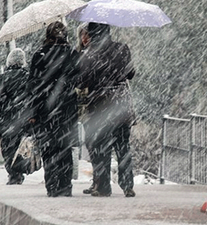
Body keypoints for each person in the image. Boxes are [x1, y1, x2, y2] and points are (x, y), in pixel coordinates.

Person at [78, 22, 136, 197]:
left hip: (100, 105)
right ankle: (127, 185)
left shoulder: (89, 54)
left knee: (101, 147)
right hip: (120, 104)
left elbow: (82, 81)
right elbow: (130, 74)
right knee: (123, 146)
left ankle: (103, 186)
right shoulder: (122, 48)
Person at [28, 21, 80, 197]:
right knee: (65, 148)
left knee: (49, 149)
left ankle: (52, 186)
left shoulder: (39, 55)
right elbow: (78, 79)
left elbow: (33, 86)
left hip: (45, 111)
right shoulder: (72, 53)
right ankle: (65, 186)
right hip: (67, 110)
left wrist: (33, 113)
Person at [0, 48, 30, 185]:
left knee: (8, 147)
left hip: (6, 119)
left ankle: (13, 173)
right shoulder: (28, 76)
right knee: (21, 146)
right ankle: (19, 170)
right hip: (22, 118)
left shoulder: (4, 77)